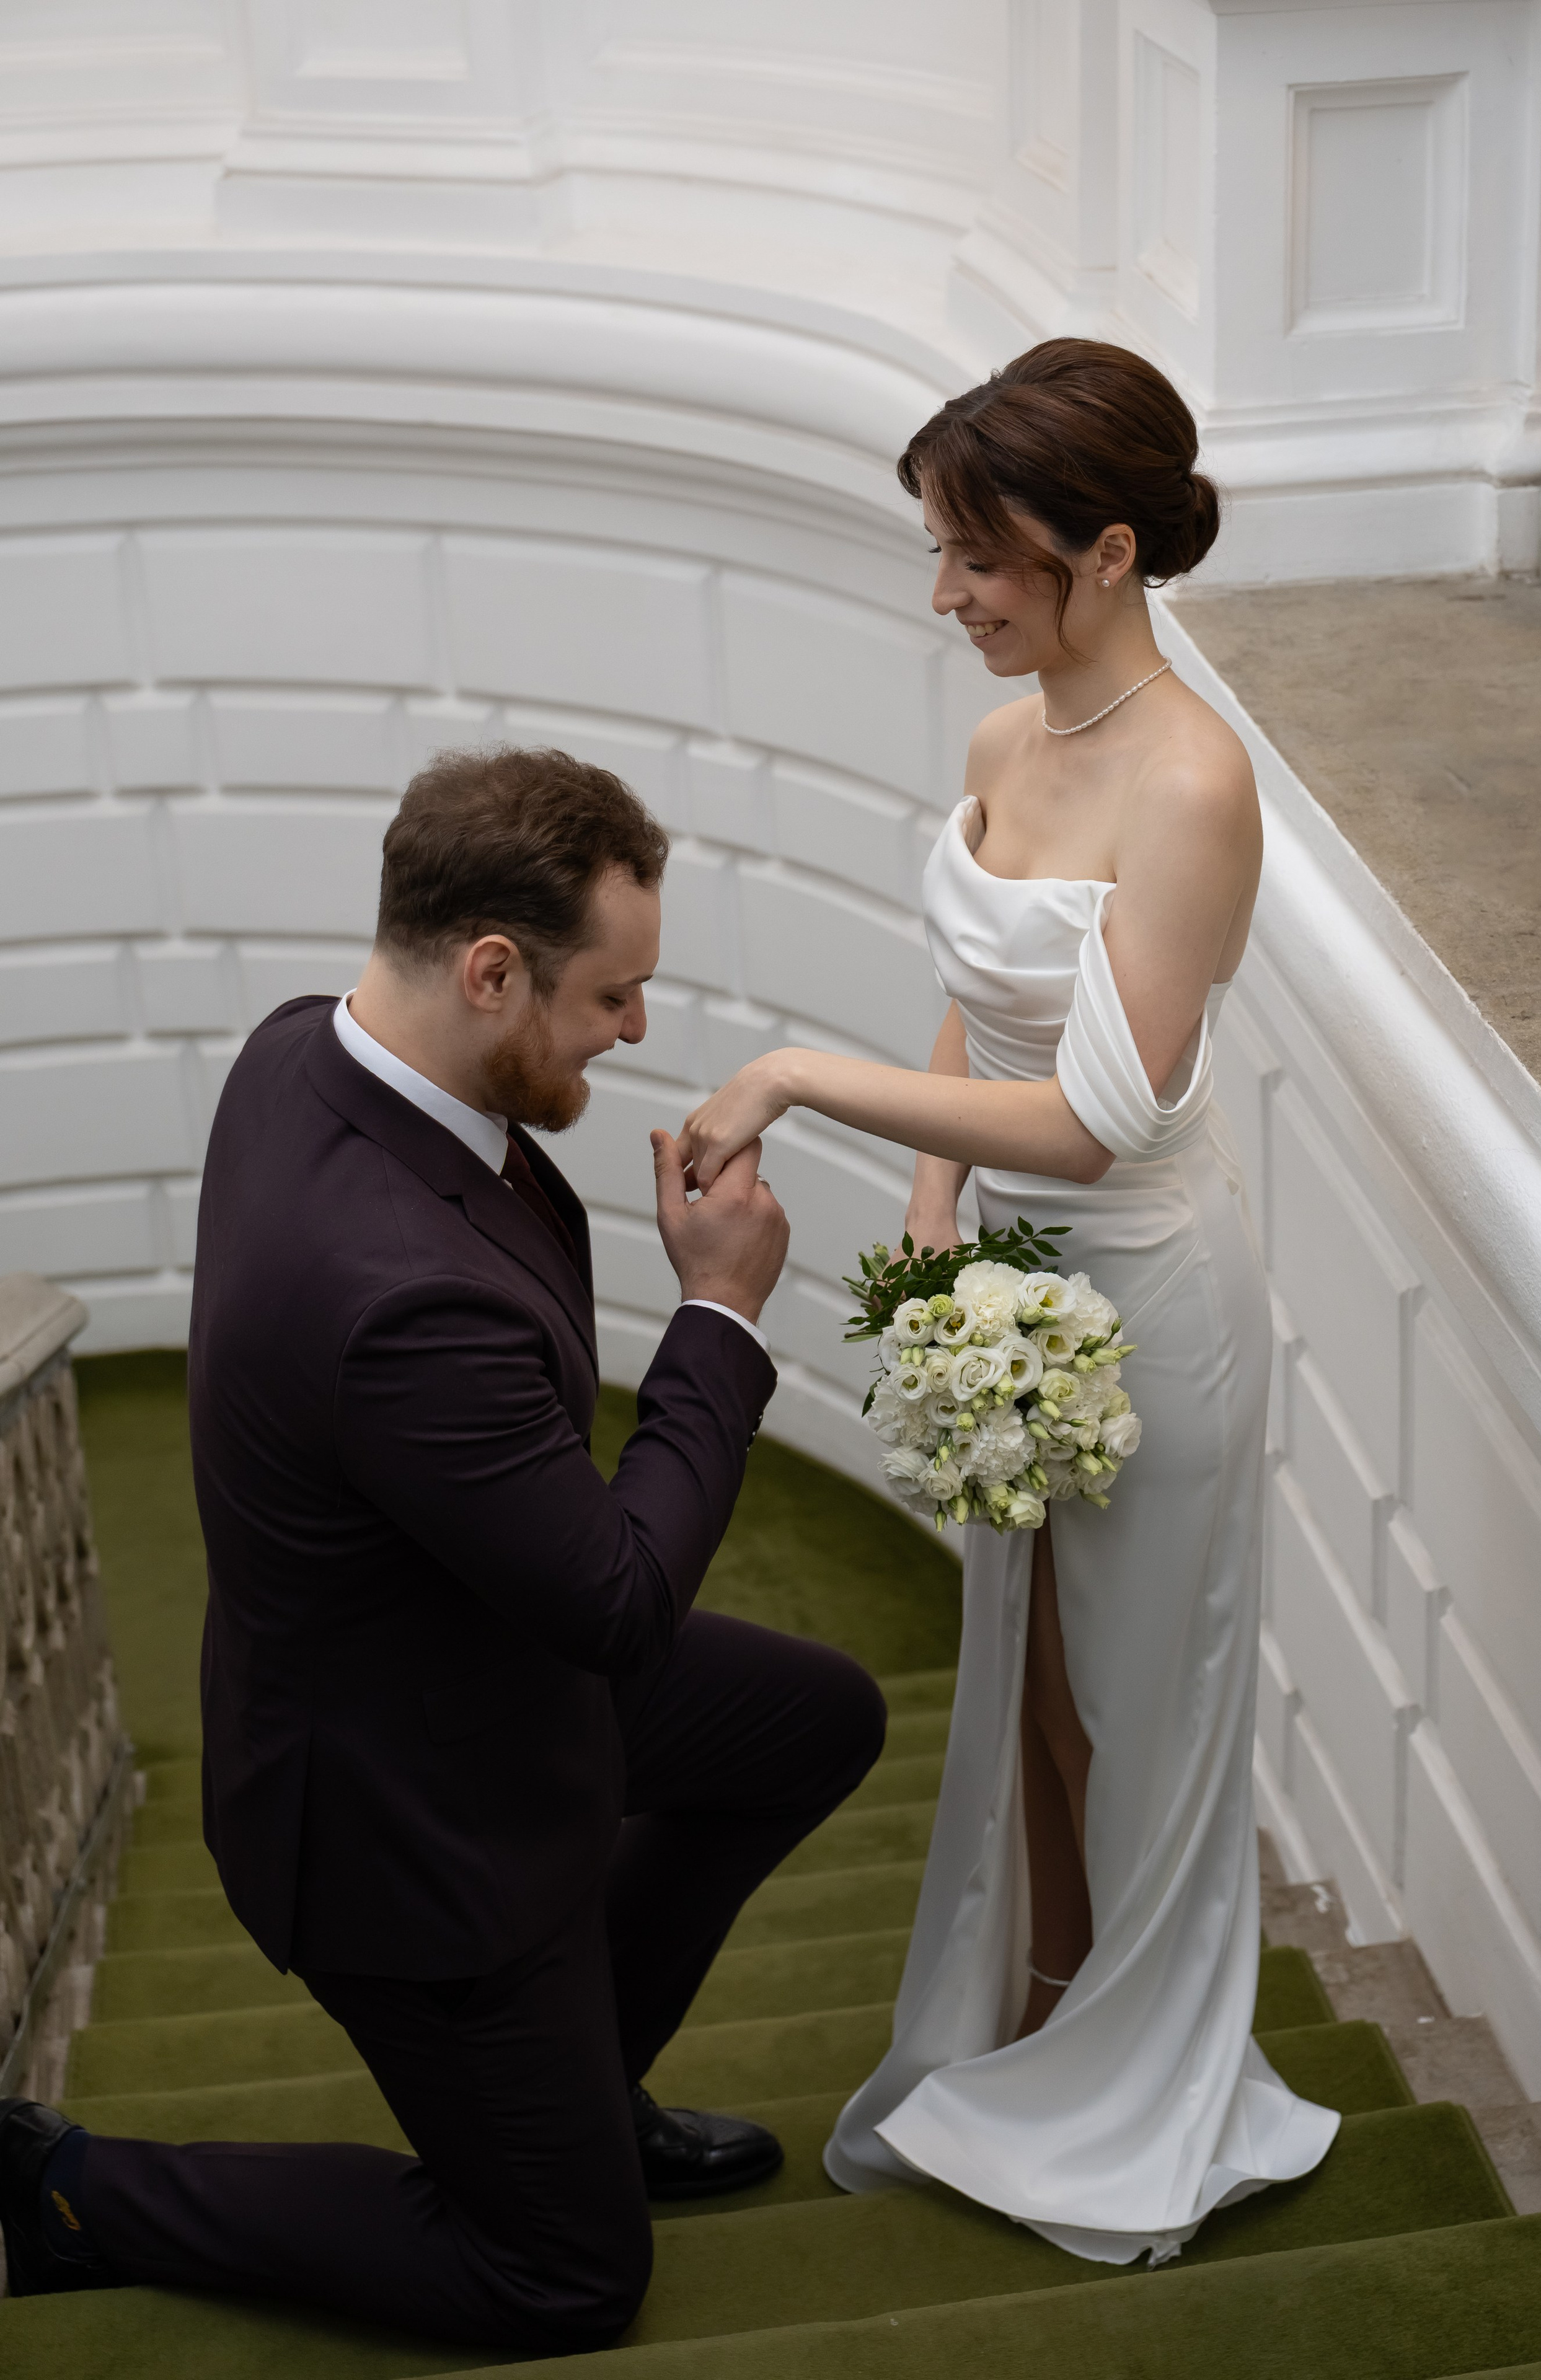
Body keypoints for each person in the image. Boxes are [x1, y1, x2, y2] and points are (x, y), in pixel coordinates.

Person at [0, 746, 886, 2348]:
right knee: (561, 2275)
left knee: (812, 1721)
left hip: (480, 1656)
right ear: (490, 970)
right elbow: (618, 1601)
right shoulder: (396, 1296)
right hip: (412, 1821)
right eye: (612, 998)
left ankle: (577, 2089)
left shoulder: (304, 1052)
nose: (633, 1033)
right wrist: (721, 1315)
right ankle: (75, 2190)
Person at [675, 338, 1340, 2263]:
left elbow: (1107, 1113)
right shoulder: (1004, 745)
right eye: (947, 552)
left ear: (1109, 552)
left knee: (1148, 1698)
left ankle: (1139, 2081)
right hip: (1008, 1295)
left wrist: (801, 1076)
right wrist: (934, 1221)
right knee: (1030, 1689)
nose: (948, 593)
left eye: (982, 555)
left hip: (1154, 1295)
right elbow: (990, 987)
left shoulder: (1197, 781)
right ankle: (1042, 2009)